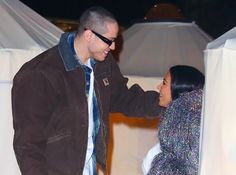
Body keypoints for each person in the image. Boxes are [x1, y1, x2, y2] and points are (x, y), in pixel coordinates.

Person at [11, 6, 161, 175]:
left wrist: (164, 102)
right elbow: (28, 145)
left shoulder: (104, 65)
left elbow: (124, 98)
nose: (112, 47)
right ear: (89, 35)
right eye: (109, 40)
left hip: (90, 169)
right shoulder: (39, 74)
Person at [142, 65, 204, 175]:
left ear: (179, 88)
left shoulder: (189, 130)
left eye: (164, 83)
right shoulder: (176, 127)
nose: (159, 86)